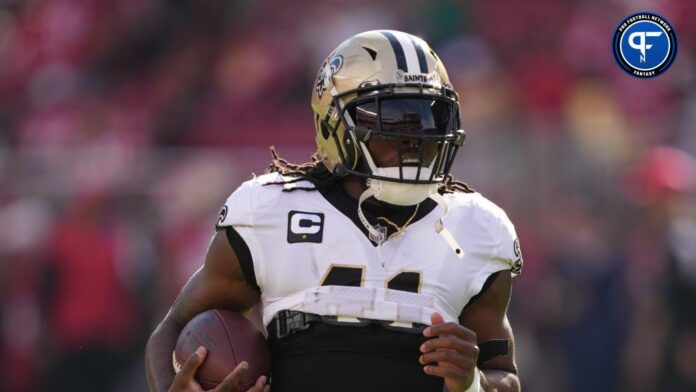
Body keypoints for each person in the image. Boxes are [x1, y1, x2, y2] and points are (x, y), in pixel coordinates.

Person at [145, 30, 522, 392]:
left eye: (430, 116)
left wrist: (472, 383)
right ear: (335, 124)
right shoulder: (271, 211)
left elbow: (503, 374)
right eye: (394, 117)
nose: (416, 137)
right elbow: (173, 329)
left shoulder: (477, 229)